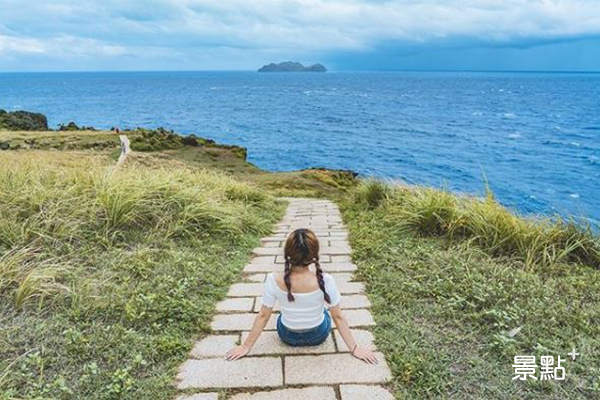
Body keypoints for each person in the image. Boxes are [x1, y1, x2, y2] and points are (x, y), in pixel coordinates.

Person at [226, 228, 378, 364]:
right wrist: (354, 348)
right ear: (314, 255)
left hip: (287, 336)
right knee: (325, 312)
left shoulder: (273, 279)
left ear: (287, 254)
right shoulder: (326, 280)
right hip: (318, 335)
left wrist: (246, 346)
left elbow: (263, 316)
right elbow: (338, 317)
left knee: (279, 315)